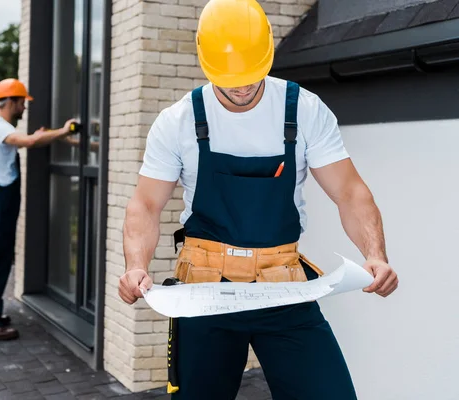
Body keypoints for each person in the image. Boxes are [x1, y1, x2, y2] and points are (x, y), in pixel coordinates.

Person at [118, 0, 399, 398]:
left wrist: (376, 254)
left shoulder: (303, 110)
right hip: (204, 287)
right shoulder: (177, 121)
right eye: (229, 78)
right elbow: (145, 205)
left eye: (251, 74)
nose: (242, 86)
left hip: (282, 283)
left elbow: (350, 192)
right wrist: (135, 265)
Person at [0, 78, 76, 341]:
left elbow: (31, 140)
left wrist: (42, 137)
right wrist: (62, 132)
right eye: (22, 103)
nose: (24, 108)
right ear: (10, 102)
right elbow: (27, 142)